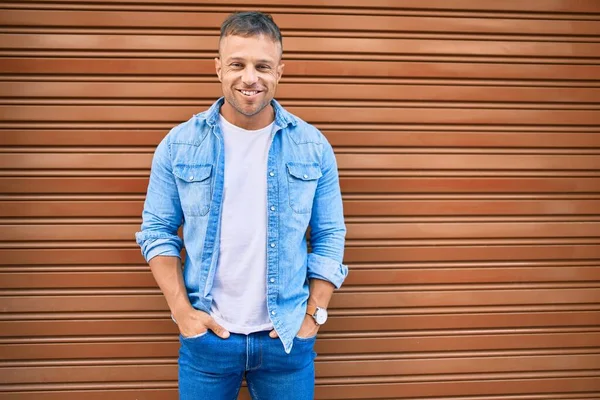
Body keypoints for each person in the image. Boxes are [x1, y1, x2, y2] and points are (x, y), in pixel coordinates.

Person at [135, 11, 348, 400]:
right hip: (208, 342)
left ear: (279, 71)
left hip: (286, 342)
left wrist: (313, 317)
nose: (250, 77)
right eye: (238, 64)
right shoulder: (179, 143)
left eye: (262, 65)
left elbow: (330, 233)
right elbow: (157, 231)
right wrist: (182, 312)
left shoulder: (313, 146)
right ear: (218, 68)